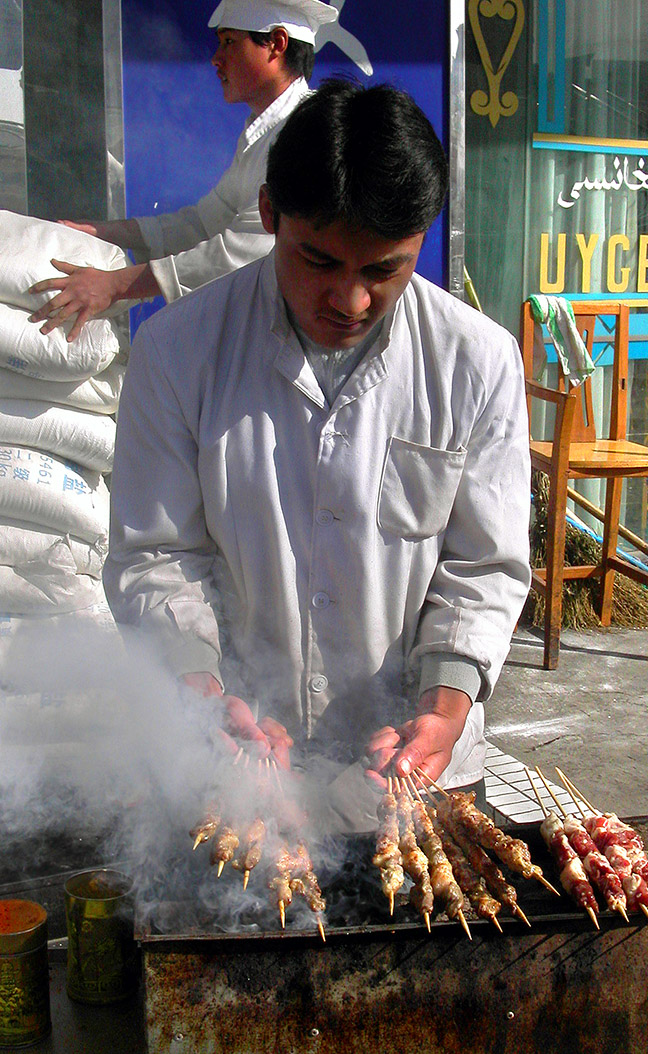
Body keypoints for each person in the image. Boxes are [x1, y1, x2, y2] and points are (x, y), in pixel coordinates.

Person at [103, 79, 532, 830]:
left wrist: (445, 703)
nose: (351, 300)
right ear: (270, 214)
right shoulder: (177, 353)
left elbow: (484, 566)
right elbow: (156, 557)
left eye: (382, 270)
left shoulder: (479, 361)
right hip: (239, 773)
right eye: (320, 261)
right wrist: (204, 688)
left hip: (412, 776)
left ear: (421, 240)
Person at [27, 0, 338, 343]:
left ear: (276, 44)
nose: (216, 59)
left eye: (229, 42)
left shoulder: (307, 133)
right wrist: (105, 231)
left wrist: (114, 285)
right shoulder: (265, 133)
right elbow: (204, 222)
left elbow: (243, 252)